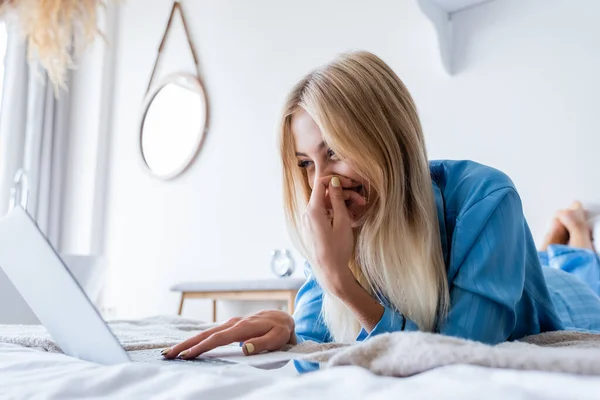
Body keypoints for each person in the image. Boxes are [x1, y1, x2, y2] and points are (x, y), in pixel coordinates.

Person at [162, 51, 600, 361]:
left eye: (333, 152)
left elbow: (460, 353)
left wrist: (342, 283)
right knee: (544, 259)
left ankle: (576, 238)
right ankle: (555, 244)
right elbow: (318, 347)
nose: (321, 183)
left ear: (383, 139)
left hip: (569, 298)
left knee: (579, 272)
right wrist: (289, 329)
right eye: (305, 163)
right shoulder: (346, 220)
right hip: (508, 267)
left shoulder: (488, 199)